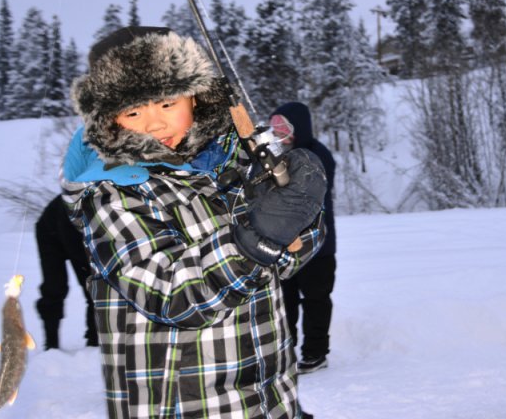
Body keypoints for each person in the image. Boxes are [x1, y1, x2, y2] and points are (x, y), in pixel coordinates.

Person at [60, 26, 326, 419]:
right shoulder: (111, 196)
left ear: (196, 97)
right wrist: (257, 237)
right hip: (187, 407)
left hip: (267, 397)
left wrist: (300, 216)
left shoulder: (226, 164)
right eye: (133, 112)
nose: (153, 124)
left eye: (167, 104)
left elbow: (279, 265)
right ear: (110, 121)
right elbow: (172, 296)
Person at [269, 102, 336, 375]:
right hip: (285, 245)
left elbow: (305, 190)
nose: (279, 134)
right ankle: (287, 352)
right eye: (275, 129)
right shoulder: (277, 155)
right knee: (285, 302)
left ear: (299, 127)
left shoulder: (317, 155)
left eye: (283, 128)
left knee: (316, 299)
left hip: (317, 246)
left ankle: (316, 352)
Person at [35, 193, 98, 350]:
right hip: (49, 232)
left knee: (96, 289)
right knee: (54, 287)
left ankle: (94, 342)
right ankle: (51, 344)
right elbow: (77, 250)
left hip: (76, 234)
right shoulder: (80, 204)